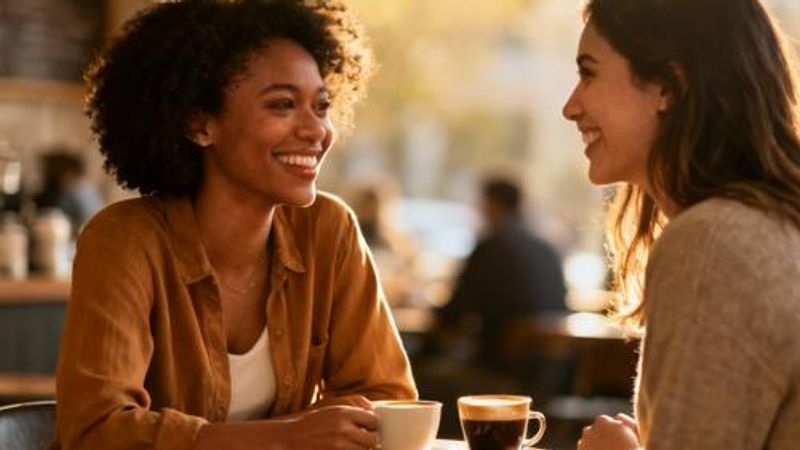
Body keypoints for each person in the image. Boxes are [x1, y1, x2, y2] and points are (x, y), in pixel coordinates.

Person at [54, 1, 416, 450]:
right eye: (283, 104)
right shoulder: (125, 241)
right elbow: (94, 432)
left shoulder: (329, 230)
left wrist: (297, 432)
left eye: (320, 106)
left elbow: (388, 401)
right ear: (200, 124)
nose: (316, 130)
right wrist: (289, 436)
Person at [562, 0, 800, 448]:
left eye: (588, 73)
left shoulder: (714, 242)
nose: (570, 107)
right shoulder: (769, 228)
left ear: (669, 85)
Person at [437, 176, 567, 369]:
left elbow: (454, 312)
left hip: (498, 370)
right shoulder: (547, 249)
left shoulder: (491, 248)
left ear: (492, 204)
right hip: (547, 373)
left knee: (419, 373)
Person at [33, 149, 103, 235]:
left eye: (48, 170)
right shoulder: (51, 194)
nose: (43, 174)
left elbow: (90, 223)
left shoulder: (82, 193)